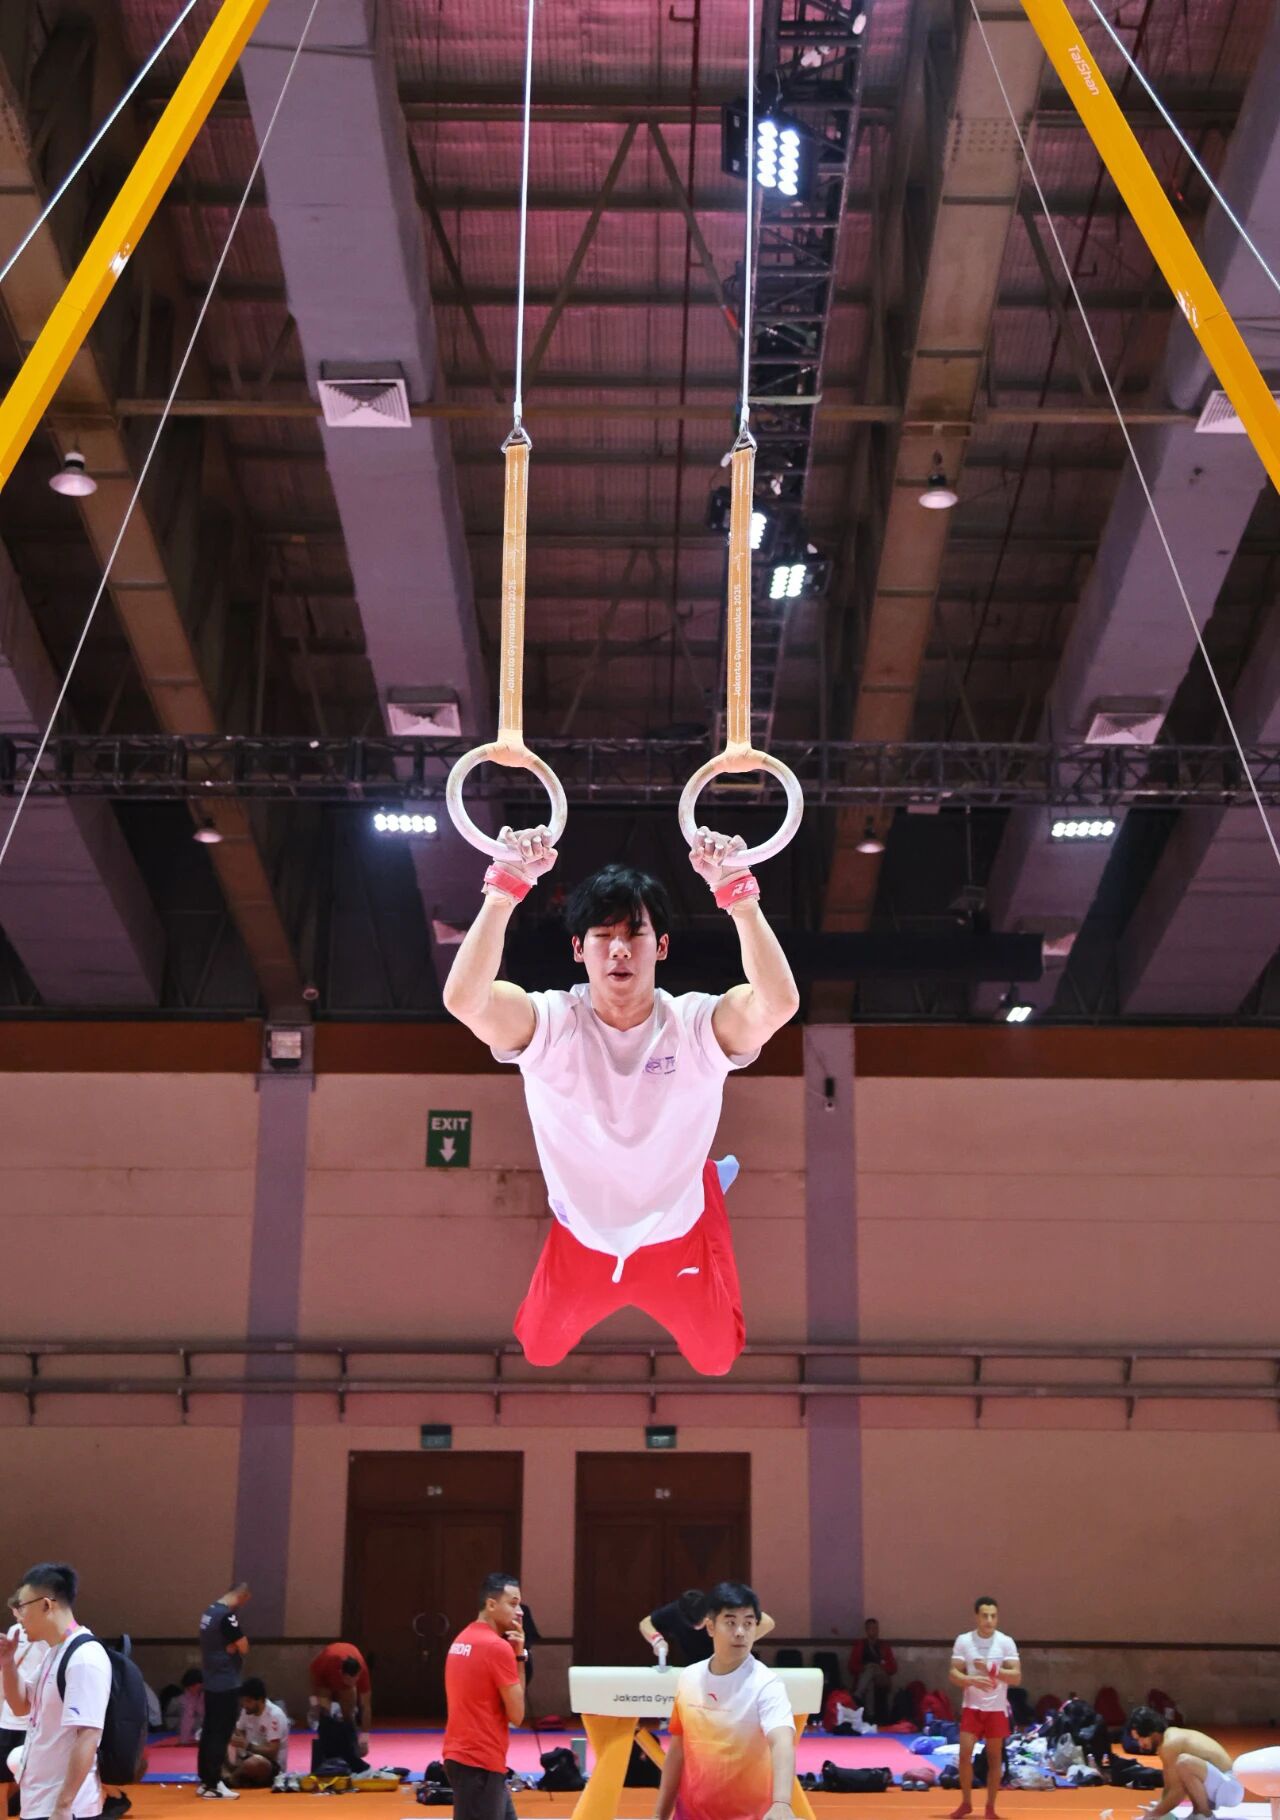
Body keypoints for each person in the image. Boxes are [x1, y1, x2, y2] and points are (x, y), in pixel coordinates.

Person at [443, 838, 800, 1376]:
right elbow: (464, 1001)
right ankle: (701, 1179)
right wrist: (503, 891)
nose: (619, 950)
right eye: (603, 935)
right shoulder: (551, 1024)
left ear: (661, 947)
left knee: (717, 1358)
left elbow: (778, 1004)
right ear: (578, 949)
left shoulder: (695, 1027)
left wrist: (739, 895)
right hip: (582, 1242)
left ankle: (702, 1186)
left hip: (676, 1239)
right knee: (538, 1349)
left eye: (635, 934)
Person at [655, 1580, 796, 1820]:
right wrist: (659, 1815)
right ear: (710, 1627)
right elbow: (677, 1751)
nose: (740, 1632)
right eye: (730, 1623)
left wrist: (782, 1802)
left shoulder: (767, 1684)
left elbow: (782, 1741)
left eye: (748, 1623)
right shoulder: (689, 1678)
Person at [0, 1563, 110, 1820]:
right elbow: (21, 1706)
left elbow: (88, 1736)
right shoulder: (55, 1653)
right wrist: (7, 1663)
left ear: (46, 1605)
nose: (18, 1616)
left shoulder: (84, 1657)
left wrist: (63, 1807)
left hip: (66, 1809)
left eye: (22, 1607)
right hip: (40, 1802)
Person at [442, 1573, 528, 1820]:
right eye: (513, 1604)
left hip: (462, 1756)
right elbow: (517, 1714)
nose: (519, 1611)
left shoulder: (462, 1639)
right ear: (491, 1605)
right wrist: (519, 1657)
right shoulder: (496, 1647)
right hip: (480, 1762)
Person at [949, 1596, 1020, 1820]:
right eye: (985, 1616)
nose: (989, 1620)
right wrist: (970, 1680)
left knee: (994, 1758)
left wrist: (992, 1669)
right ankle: (966, 1803)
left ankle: (990, 1807)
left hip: (996, 1709)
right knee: (964, 1755)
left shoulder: (1005, 1642)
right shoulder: (964, 1641)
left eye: (993, 1616)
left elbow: (1016, 1677)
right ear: (976, 1617)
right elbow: (953, 1673)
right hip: (972, 1707)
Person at [1126, 1708, 1244, 1817]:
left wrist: (1155, 1813)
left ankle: (1205, 1815)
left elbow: (1178, 1791)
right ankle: (1198, 1813)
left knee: (1184, 1763)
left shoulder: (1170, 1744)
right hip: (1224, 1786)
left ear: (1153, 1733)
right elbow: (1169, 1787)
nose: (1140, 1745)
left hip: (1230, 1789)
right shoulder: (1168, 1740)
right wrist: (1158, 1810)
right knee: (1182, 1767)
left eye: (1140, 1738)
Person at [197, 1581, 251, 1800]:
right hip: (226, 1682)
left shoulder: (208, 1612)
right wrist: (233, 1647)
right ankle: (214, 1783)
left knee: (209, 1731)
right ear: (242, 1596)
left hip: (211, 1680)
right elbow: (244, 1647)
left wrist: (229, 1646)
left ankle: (205, 1780)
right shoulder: (227, 1617)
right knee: (221, 1733)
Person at [641, 1592, 776, 1667]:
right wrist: (657, 1640)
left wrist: (740, 1641)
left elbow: (767, 1622)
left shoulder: (723, 1605)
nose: (697, 1627)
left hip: (731, 1665)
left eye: (701, 1621)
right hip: (695, 1668)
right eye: (692, 1624)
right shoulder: (674, 1611)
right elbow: (646, 1623)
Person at [0, 1616, 49, 1818]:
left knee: (31, 1780)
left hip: (33, 1721)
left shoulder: (49, 1637)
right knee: (3, 1781)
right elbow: (6, 1675)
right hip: (9, 1720)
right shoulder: (14, 1632)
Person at [307, 1644, 372, 1754]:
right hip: (325, 1675)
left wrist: (365, 1738)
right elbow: (313, 1679)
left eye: (353, 1681)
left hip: (344, 1676)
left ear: (358, 1674)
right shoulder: (325, 1664)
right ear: (341, 1672)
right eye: (347, 1680)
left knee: (348, 1713)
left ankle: (350, 1743)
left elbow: (366, 1706)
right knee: (324, 1709)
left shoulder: (363, 1673)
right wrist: (313, 1703)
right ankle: (326, 1742)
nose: (350, 1682)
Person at [226, 1679, 289, 1789]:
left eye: (248, 1701)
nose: (244, 1705)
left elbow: (273, 1752)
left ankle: (230, 1779)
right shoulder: (247, 1711)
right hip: (247, 1755)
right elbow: (239, 1729)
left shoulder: (274, 1716)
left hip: (270, 1764)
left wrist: (247, 1746)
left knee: (254, 1763)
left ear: (260, 1700)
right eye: (243, 1701)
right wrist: (236, 1739)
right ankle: (232, 1775)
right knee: (217, 1745)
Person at [847, 1619, 896, 1724]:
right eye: (871, 1628)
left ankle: (858, 1695)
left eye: (875, 1628)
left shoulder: (884, 1646)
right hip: (866, 1676)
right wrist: (863, 1668)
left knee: (871, 1667)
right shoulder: (860, 1645)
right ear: (866, 1630)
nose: (873, 1631)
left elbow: (893, 1668)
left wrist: (879, 1667)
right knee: (870, 1681)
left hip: (882, 1677)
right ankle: (870, 1716)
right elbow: (851, 1666)